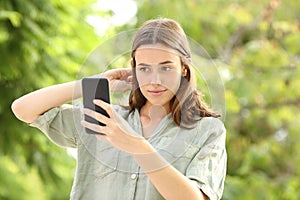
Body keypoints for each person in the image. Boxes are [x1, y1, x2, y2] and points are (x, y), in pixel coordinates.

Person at [11, 18, 227, 200]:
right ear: (134, 70)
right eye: (144, 68)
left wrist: (137, 146)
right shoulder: (103, 117)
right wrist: (95, 82)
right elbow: (23, 109)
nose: (155, 80)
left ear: (185, 70)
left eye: (166, 67)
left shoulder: (207, 130)